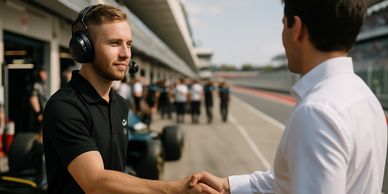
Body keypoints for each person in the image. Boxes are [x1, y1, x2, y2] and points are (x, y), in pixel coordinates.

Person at [190, 0, 387, 194]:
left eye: (284, 25)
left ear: (297, 28)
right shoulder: (366, 97)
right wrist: (228, 186)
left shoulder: (317, 113)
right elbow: (298, 177)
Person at [42, 4, 217, 194]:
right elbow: (95, 182)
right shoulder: (65, 106)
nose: (126, 54)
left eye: (128, 44)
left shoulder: (120, 104)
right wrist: (175, 189)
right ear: (84, 48)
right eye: (114, 43)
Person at [29, 67, 49, 134]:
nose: (44, 76)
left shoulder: (43, 84)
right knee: (37, 132)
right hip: (38, 113)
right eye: (42, 75)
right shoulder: (36, 85)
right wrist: (39, 113)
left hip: (43, 112)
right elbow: (33, 99)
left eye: (44, 74)